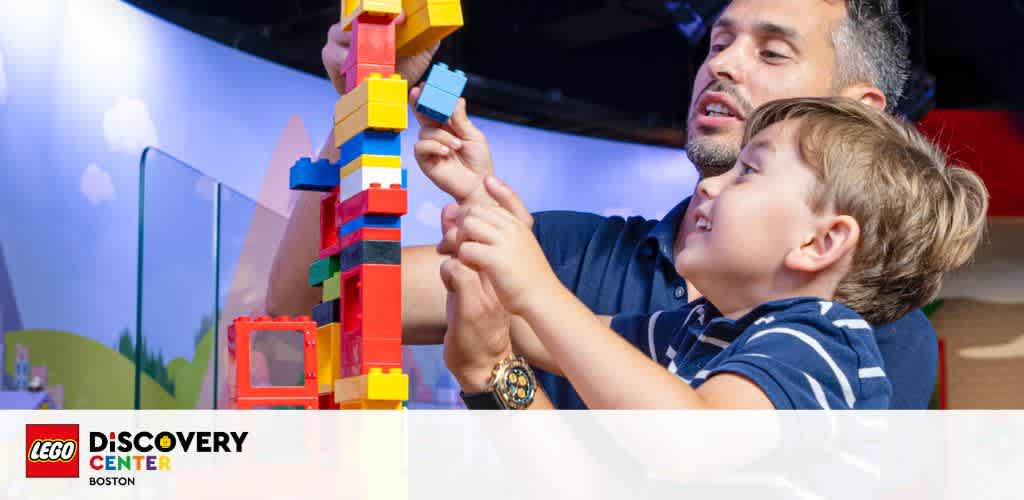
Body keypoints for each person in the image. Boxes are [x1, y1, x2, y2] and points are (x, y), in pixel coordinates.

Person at [267, 0, 938, 408]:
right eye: (720, 41)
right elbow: (316, 301)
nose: (725, 64)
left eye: (771, 50)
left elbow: (691, 444)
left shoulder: (868, 336)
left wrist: (529, 301)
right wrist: (363, 106)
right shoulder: (570, 256)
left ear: (856, 114)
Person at [438, 96, 987, 409]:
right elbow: (555, 337)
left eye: (747, 172)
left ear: (821, 243)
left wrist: (534, 286)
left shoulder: (822, 343)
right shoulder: (701, 328)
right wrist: (488, 218)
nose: (708, 185)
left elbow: (692, 437)